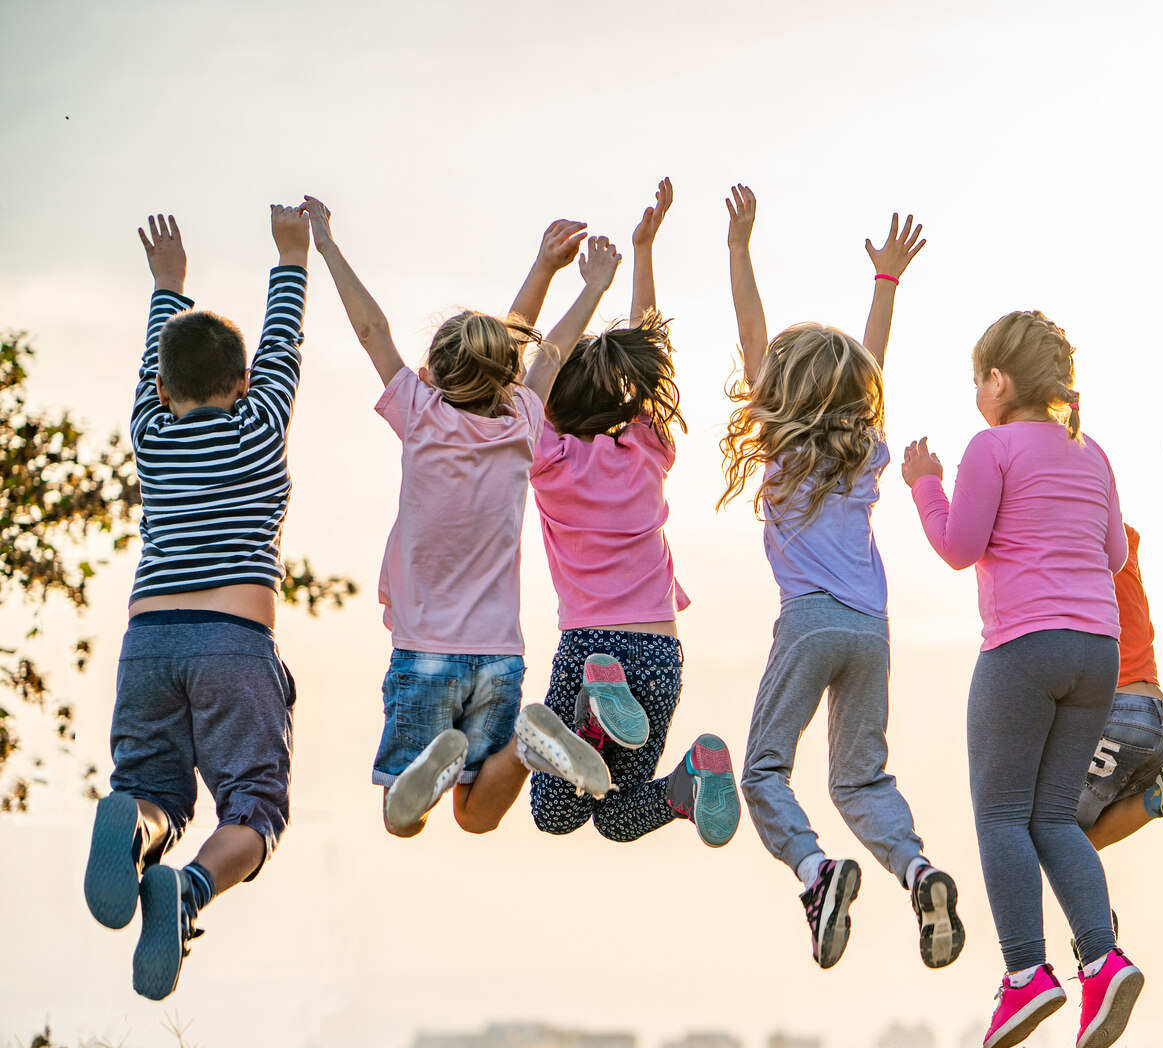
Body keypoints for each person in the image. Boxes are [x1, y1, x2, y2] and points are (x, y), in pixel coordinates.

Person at [301, 196, 616, 839]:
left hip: (425, 655)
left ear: (433, 375)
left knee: (402, 821)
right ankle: (527, 745)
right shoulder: (522, 421)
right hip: (499, 657)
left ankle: (432, 769)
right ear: (508, 376)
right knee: (475, 817)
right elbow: (548, 350)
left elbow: (370, 331)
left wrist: (327, 246)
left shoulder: (421, 414)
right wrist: (587, 285)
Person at [721, 186, 964, 972]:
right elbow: (875, 365)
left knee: (763, 769)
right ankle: (918, 870)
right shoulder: (866, 449)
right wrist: (885, 283)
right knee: (860, 780)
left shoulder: (782, 448)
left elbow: (752, 332)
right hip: (871, 631)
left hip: (809, 621)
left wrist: (739, 247)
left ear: (780, 393)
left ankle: (815, 873)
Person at [83, 207, 311, 1000]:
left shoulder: (150, 431)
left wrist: (167, 284)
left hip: (148, 640)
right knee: (255, 806)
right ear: (245, 385)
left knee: (152, 786)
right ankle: (190, 890)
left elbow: (163, 359)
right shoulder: (260, 426)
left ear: (161, 388)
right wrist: (292, 257)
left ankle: (138, 825)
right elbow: (283, 346)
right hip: (233, 638)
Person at [906, 309, 1144, 1048]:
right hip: (1097, 652)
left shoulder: (990, 446)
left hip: (1022, 650)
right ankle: (1103, 960)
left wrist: (925, 485)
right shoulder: (1092, 450)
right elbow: (1111, 555)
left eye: (979, 378)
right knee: (1053, 818)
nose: (977, 392)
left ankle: (1025, 972)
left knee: (1001, 815)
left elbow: (957, 546)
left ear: (999, 381)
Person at [509, 179, 739, 848]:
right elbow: (653, 351)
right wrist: (644, 251)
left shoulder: (549, 457)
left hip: (592, 649)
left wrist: (589, 289)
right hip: (660, 650)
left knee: (556, 813)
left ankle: (587, 717)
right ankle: (691, 776)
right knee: (615, 814)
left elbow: (535, 377)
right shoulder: (647, 445)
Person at [1070, 523, 1163, 967]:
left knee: (1046, 830)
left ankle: (1095, 937)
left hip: (1115, 718)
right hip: (1161, 720)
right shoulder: (1121, 538)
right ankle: (1160, 796)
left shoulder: (1068, 538)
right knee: (1073, 838)